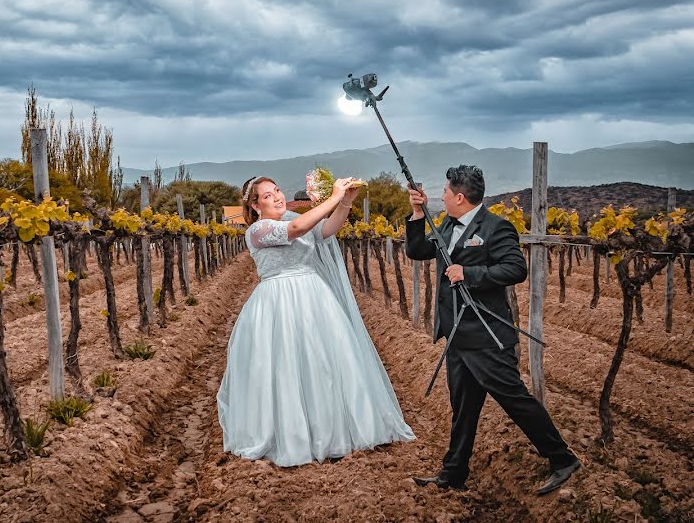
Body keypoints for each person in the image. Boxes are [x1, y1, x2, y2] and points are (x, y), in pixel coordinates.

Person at [217, 175, 414, 467]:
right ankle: (294, 436)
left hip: (314, 297)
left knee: (324, 363)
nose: (278, 196)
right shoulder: (259, 230)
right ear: (255, 206)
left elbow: (326, 230)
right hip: (278, 301)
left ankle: (331, 434)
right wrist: (333, 196)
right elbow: (298, 228)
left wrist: (345, 203)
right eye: (268, 196)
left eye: (277, 190)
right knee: (287, 366)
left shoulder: (294, 220)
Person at [405, 165, 580, 495]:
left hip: (486, 334)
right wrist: (417, 213)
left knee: (515, 400)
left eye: (445, 191)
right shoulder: (445, 223)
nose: (440, 196)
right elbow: (417, 251)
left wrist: (467, 273)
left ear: (459, 197)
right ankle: (453, 474)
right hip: (457, 334)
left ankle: (562, 458)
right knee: (464, 409)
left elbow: (515, 269)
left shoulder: (497, 228)